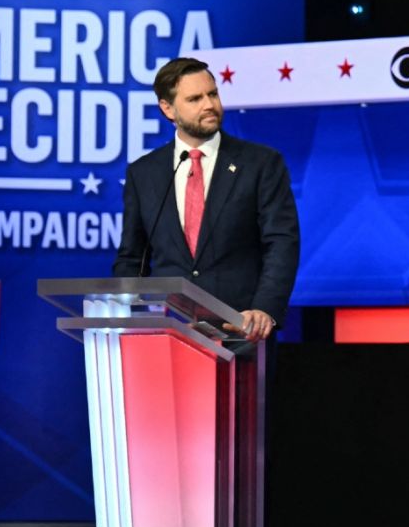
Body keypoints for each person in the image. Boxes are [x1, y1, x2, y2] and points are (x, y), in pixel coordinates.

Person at [113, 57, 300, 342]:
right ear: (168, 108)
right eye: (195, 98)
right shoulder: (144, 173)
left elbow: (281, 243)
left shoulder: (260, 163)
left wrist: (264, 309)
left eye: (212, 94)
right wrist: (123, 312)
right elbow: (132, 257)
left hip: (241, 331)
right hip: (166, 332)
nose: (209, 105)